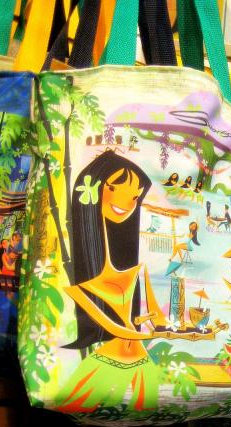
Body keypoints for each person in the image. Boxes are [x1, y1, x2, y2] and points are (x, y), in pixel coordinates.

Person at [54, 150, 166, 413]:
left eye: (135, 197)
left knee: (144, 417)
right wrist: (144, 332)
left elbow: (153, 318)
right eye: (114, 188)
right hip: (108, 361)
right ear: (94, 189)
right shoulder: (83, 284)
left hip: (140, 361)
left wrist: (160, 324)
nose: (127, 203)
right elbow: (112, 326)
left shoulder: (136, 270)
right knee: (76, 409)